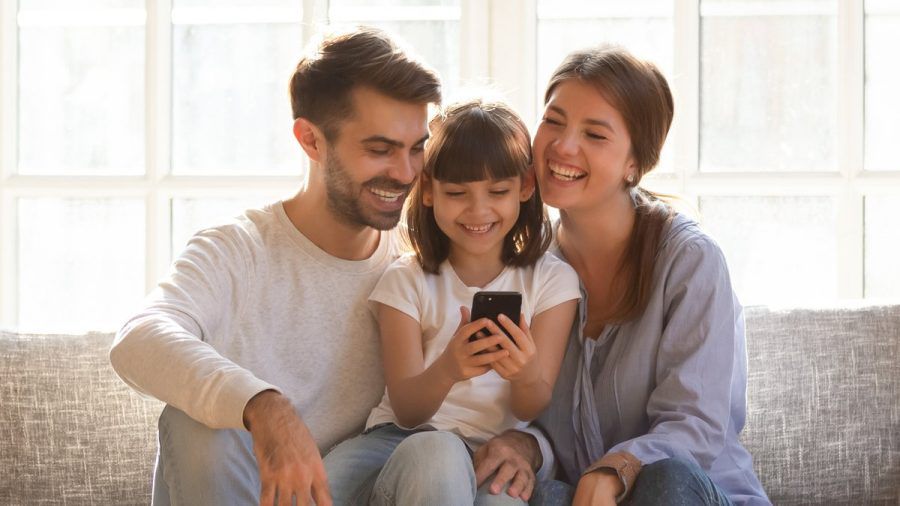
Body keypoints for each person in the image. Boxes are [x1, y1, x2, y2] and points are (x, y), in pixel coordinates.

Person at [109, 26, 445, 505]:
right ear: (310, 140)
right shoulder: (236, 250)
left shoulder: (419, 259)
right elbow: (139, 339)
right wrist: (263, 406)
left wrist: (526, 444)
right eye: (379, 149)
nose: (406, 173)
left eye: (416, 148)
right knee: (197, 427)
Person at [522, 46, 772, 505]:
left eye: (594, 134)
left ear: (635, 163)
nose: (563, 146)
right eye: (553, 121)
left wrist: (619, 466)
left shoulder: (690, 259)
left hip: (687, 495)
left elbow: (695, 424)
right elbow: (526, 415)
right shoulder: (526, 268)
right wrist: (522, 446)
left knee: (664, 481)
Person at [321, 100, 581, 505]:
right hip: (396, 442)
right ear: (427, 190)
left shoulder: (552, 281)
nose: (478, 210)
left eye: (498, 191)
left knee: (501, 499)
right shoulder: (406, 280)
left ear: (526, 187)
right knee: (327, 488)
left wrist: (526, 373)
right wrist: (449, 368)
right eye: (457, 193)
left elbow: (532, 402)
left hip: (489, 451)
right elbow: (407, 410)